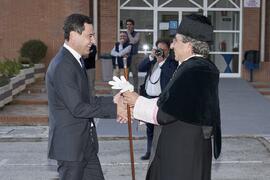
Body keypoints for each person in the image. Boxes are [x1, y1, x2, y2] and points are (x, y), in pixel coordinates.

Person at [116, 14, 222, 180]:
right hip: (188, 147)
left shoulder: (192, 70)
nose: (172, 45)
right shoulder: (200, 67)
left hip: (181, 153)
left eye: (176, 41)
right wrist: (135, 103)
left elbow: (166, 113)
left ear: (189, 45)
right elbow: (173, 102)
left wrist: (136, 100)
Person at [46, 14, 117, 180]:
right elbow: (78, 107)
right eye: (89, 36)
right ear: (73, 35)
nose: (93, 41)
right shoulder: (63, 65)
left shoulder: (76, 61)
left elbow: (88, 99)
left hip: (85, 144)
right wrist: (116, 109)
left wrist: (115, 102)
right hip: (71, 149)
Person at [138, 39, 178, 160]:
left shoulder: (171, 63)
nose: (160, 52)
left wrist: (161, 62)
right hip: (148, 99)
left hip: (161, 101)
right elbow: (140, 67)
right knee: (149, 129)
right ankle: (149, 152)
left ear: (168, 51)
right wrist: (151, 56)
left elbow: (169, 74)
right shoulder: (152, 61)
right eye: (158, 49)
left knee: (161, 129)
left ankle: (164, 153)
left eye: (163, 50)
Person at [126, 18, 140, 92]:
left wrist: (128, 33)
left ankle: (136, 90)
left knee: (135, 74)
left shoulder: (137, 34)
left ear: (133, 25)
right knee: (126, 74)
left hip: (134, 56)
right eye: (127, 24)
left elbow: (133, 41)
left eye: (130, 24)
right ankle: (127, 90)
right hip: (126, 57)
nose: (128, 26)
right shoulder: (124, 34)